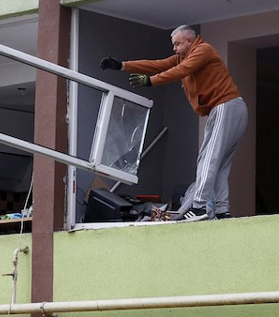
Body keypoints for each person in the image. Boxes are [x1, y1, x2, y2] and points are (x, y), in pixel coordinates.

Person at [100, 25, 248, 220]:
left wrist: (150, 82)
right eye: (174, 45)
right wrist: (122, 65)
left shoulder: (202, 50)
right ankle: (222, 210)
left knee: (208, 158)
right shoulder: (184, 56)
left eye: (177, 44)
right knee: (219, 163)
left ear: (189, 40)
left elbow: (181, 71)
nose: (175, 48)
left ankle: (200, 206)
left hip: (225, 105)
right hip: (231, 108)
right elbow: (158, 65)